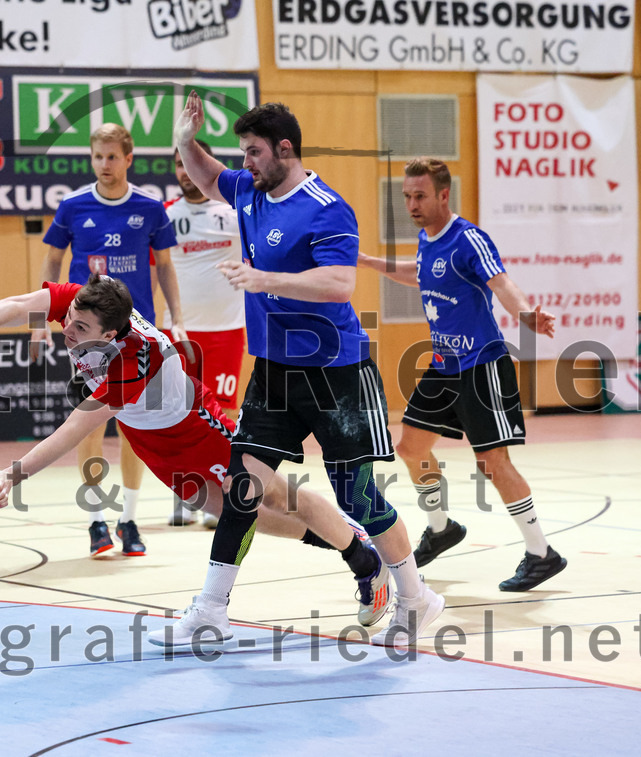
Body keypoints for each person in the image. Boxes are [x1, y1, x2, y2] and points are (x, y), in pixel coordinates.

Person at [0, 274, 394, 628]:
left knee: (273, 496)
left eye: (80, 330)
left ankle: (363, 561)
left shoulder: (129, 365)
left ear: (111, 335)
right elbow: (15, 304)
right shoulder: (86, 302)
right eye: (69, 320)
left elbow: (73, 429)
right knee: (225, 512)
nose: (67, 331)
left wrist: (14, 473)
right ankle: (342, 539)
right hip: (149, 436)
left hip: (195, 428)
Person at [155, 92, 444, 648]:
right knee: (242, 488)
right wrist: (184, 142)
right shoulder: (250, 190)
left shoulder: (326, 207)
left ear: (284, 149)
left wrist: (266, 280)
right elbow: (209, 176)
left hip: (336, 372)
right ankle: (211, 608)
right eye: (243, 152)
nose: (245, 163)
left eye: (254, 152)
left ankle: (416, 597)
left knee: (358, 499)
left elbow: (339, 283)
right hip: (274, 372)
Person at [357, 156, 567, 591]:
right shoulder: (426, 238)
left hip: (480, 365)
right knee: (411, 448)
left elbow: (501, 282)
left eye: (420, 196)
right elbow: (421, 274)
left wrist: (526, 315)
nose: (412, 204)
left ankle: (541, 553)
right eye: (407, 196)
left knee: (493, 462)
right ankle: (441, 529)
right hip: (443, 365)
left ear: (443, 194)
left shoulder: (468, 238)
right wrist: (369, 262)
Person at [34, 123, 187, 558]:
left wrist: (177, 318)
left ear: (128, 158)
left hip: (138, 335)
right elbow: (52, 260)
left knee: (135, 427)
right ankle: (95, 520)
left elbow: (165, 266)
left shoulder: (150, 208)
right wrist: (38, 319)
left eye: (112, 157)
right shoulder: (73, 205)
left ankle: (129, 519)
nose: (104, 164)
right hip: (86, 336)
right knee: (90, 423)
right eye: (98, 156)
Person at [160, 140, 247, 529]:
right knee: (178, 413)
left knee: (223, 414)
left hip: (227, 329)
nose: (184, 171)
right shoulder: (165, 214)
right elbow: (155, 270)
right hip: (179, 331)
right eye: (178, 164)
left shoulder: (235, 211)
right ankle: (185, 493)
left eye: (189, 163)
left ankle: (220, 494)